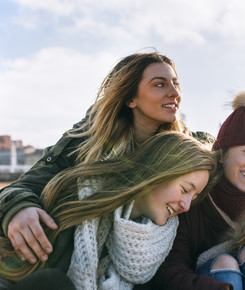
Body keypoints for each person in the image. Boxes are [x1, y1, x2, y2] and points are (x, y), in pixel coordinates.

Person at [0, 50, 214, 266]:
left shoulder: (186, 152)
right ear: (130, 98)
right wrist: (19, 209)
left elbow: (222, 150)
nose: (174, 93)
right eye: (160, 84)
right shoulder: (87, 142)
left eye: (175, 84)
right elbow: (22, 187)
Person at [0, 131, 218, 289]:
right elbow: (10, 273)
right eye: (184, 190)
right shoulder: (78, 204)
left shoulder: (158, 242)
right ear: (158, 172)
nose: (186, 205)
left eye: (194, 197)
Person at [150, 91, 245, 290]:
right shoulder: (194, 199)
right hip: (206, 282)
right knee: (225, 263)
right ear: (223, 154)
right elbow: (171, 270)